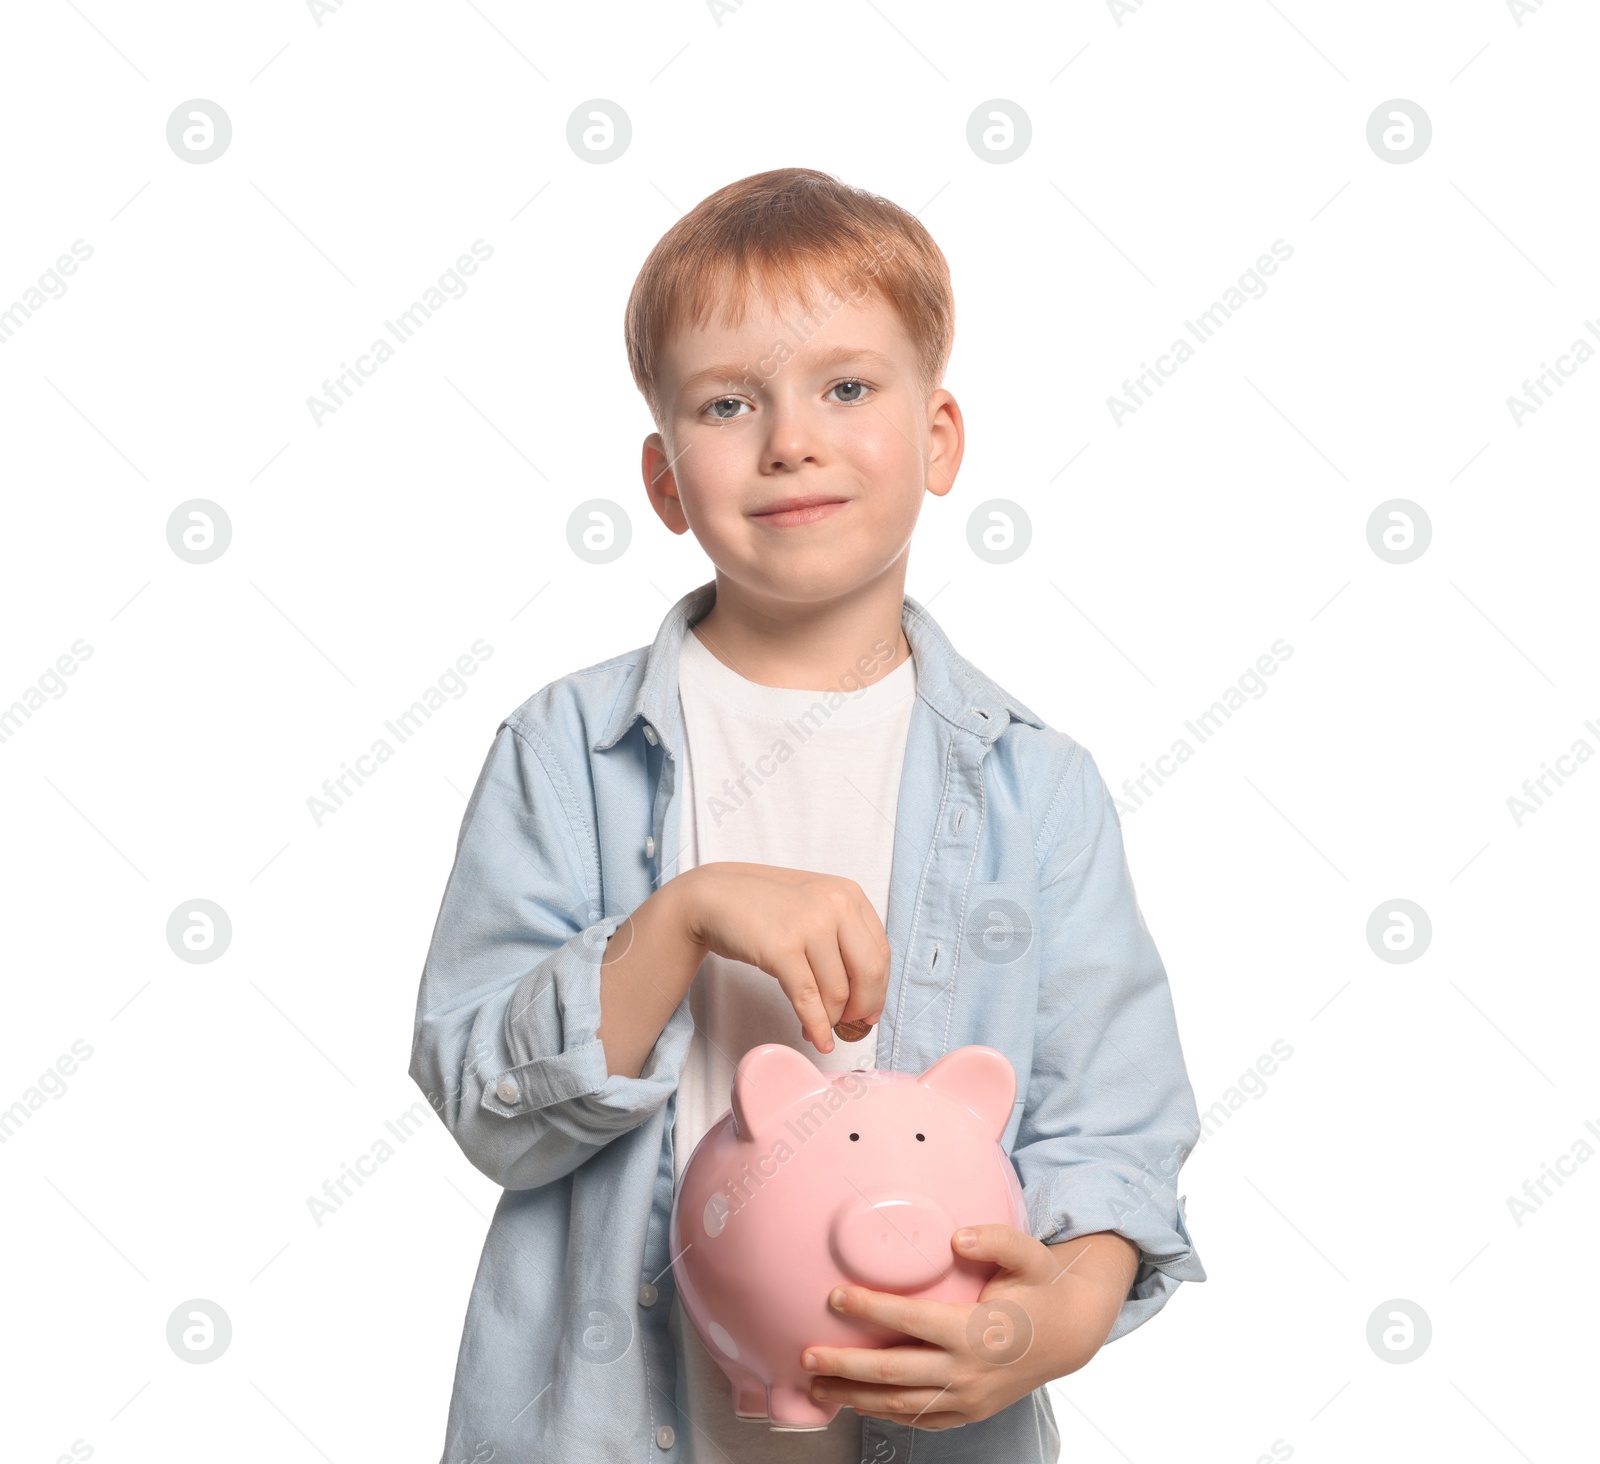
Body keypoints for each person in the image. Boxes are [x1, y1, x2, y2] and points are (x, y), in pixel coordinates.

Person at [408, 166, 1205, 1464]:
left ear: (939, 439)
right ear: (666, 478)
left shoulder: (1037, 788)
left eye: (846, 387)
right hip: (616, 1423)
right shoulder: (562, 751)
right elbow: (489, 1103)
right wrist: (683, 917)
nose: (792, 439)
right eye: (730, 403)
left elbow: (1111, 1131)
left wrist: (1052, 1321)